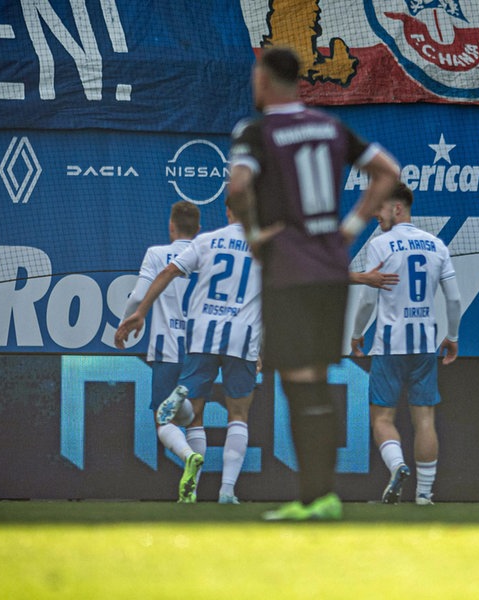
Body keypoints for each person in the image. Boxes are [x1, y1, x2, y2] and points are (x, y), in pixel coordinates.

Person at [227, 46, 401, 521]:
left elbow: (238, 188)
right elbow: (388, 172)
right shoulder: (330, 126)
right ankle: (322, 496)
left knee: (298, 381)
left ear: (263, 78)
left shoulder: (257, 131)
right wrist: (349, 228)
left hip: (289, 270)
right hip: (331, 269)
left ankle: (315, 497)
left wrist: (254, 235)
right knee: (318, 379)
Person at [116, 194, 261, 505]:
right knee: (238, 415)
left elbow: (166, 274)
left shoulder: (206, 243)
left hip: (197, 340)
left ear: (227, 211)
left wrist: (139, 312)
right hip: (242, 338)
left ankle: (191, 483)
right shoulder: (264, 246)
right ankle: (226, 492)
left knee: (181, 416)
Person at [350, 183, 461, 506]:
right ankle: (425, 495)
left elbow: (368, 300)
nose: (374, 214)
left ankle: (397, 466)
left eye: (380, 208)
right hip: (425, 344)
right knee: (424, 420)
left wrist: (357, 334)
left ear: (397, 208)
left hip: (389, 345)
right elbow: (453, 299)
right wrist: (452, 337)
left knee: (382, 419)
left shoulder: (380, 245)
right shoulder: (437, 245)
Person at [118, 200, 204, 502]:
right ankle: (194, 491)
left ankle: (187, 458)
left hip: (167, 348)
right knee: (195, 419)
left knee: (163, 420)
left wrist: (125, 322)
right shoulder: (206, 252)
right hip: (200, 348)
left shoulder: (157, 254)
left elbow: (139, 295)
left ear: (171, 226)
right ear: (198, 229)